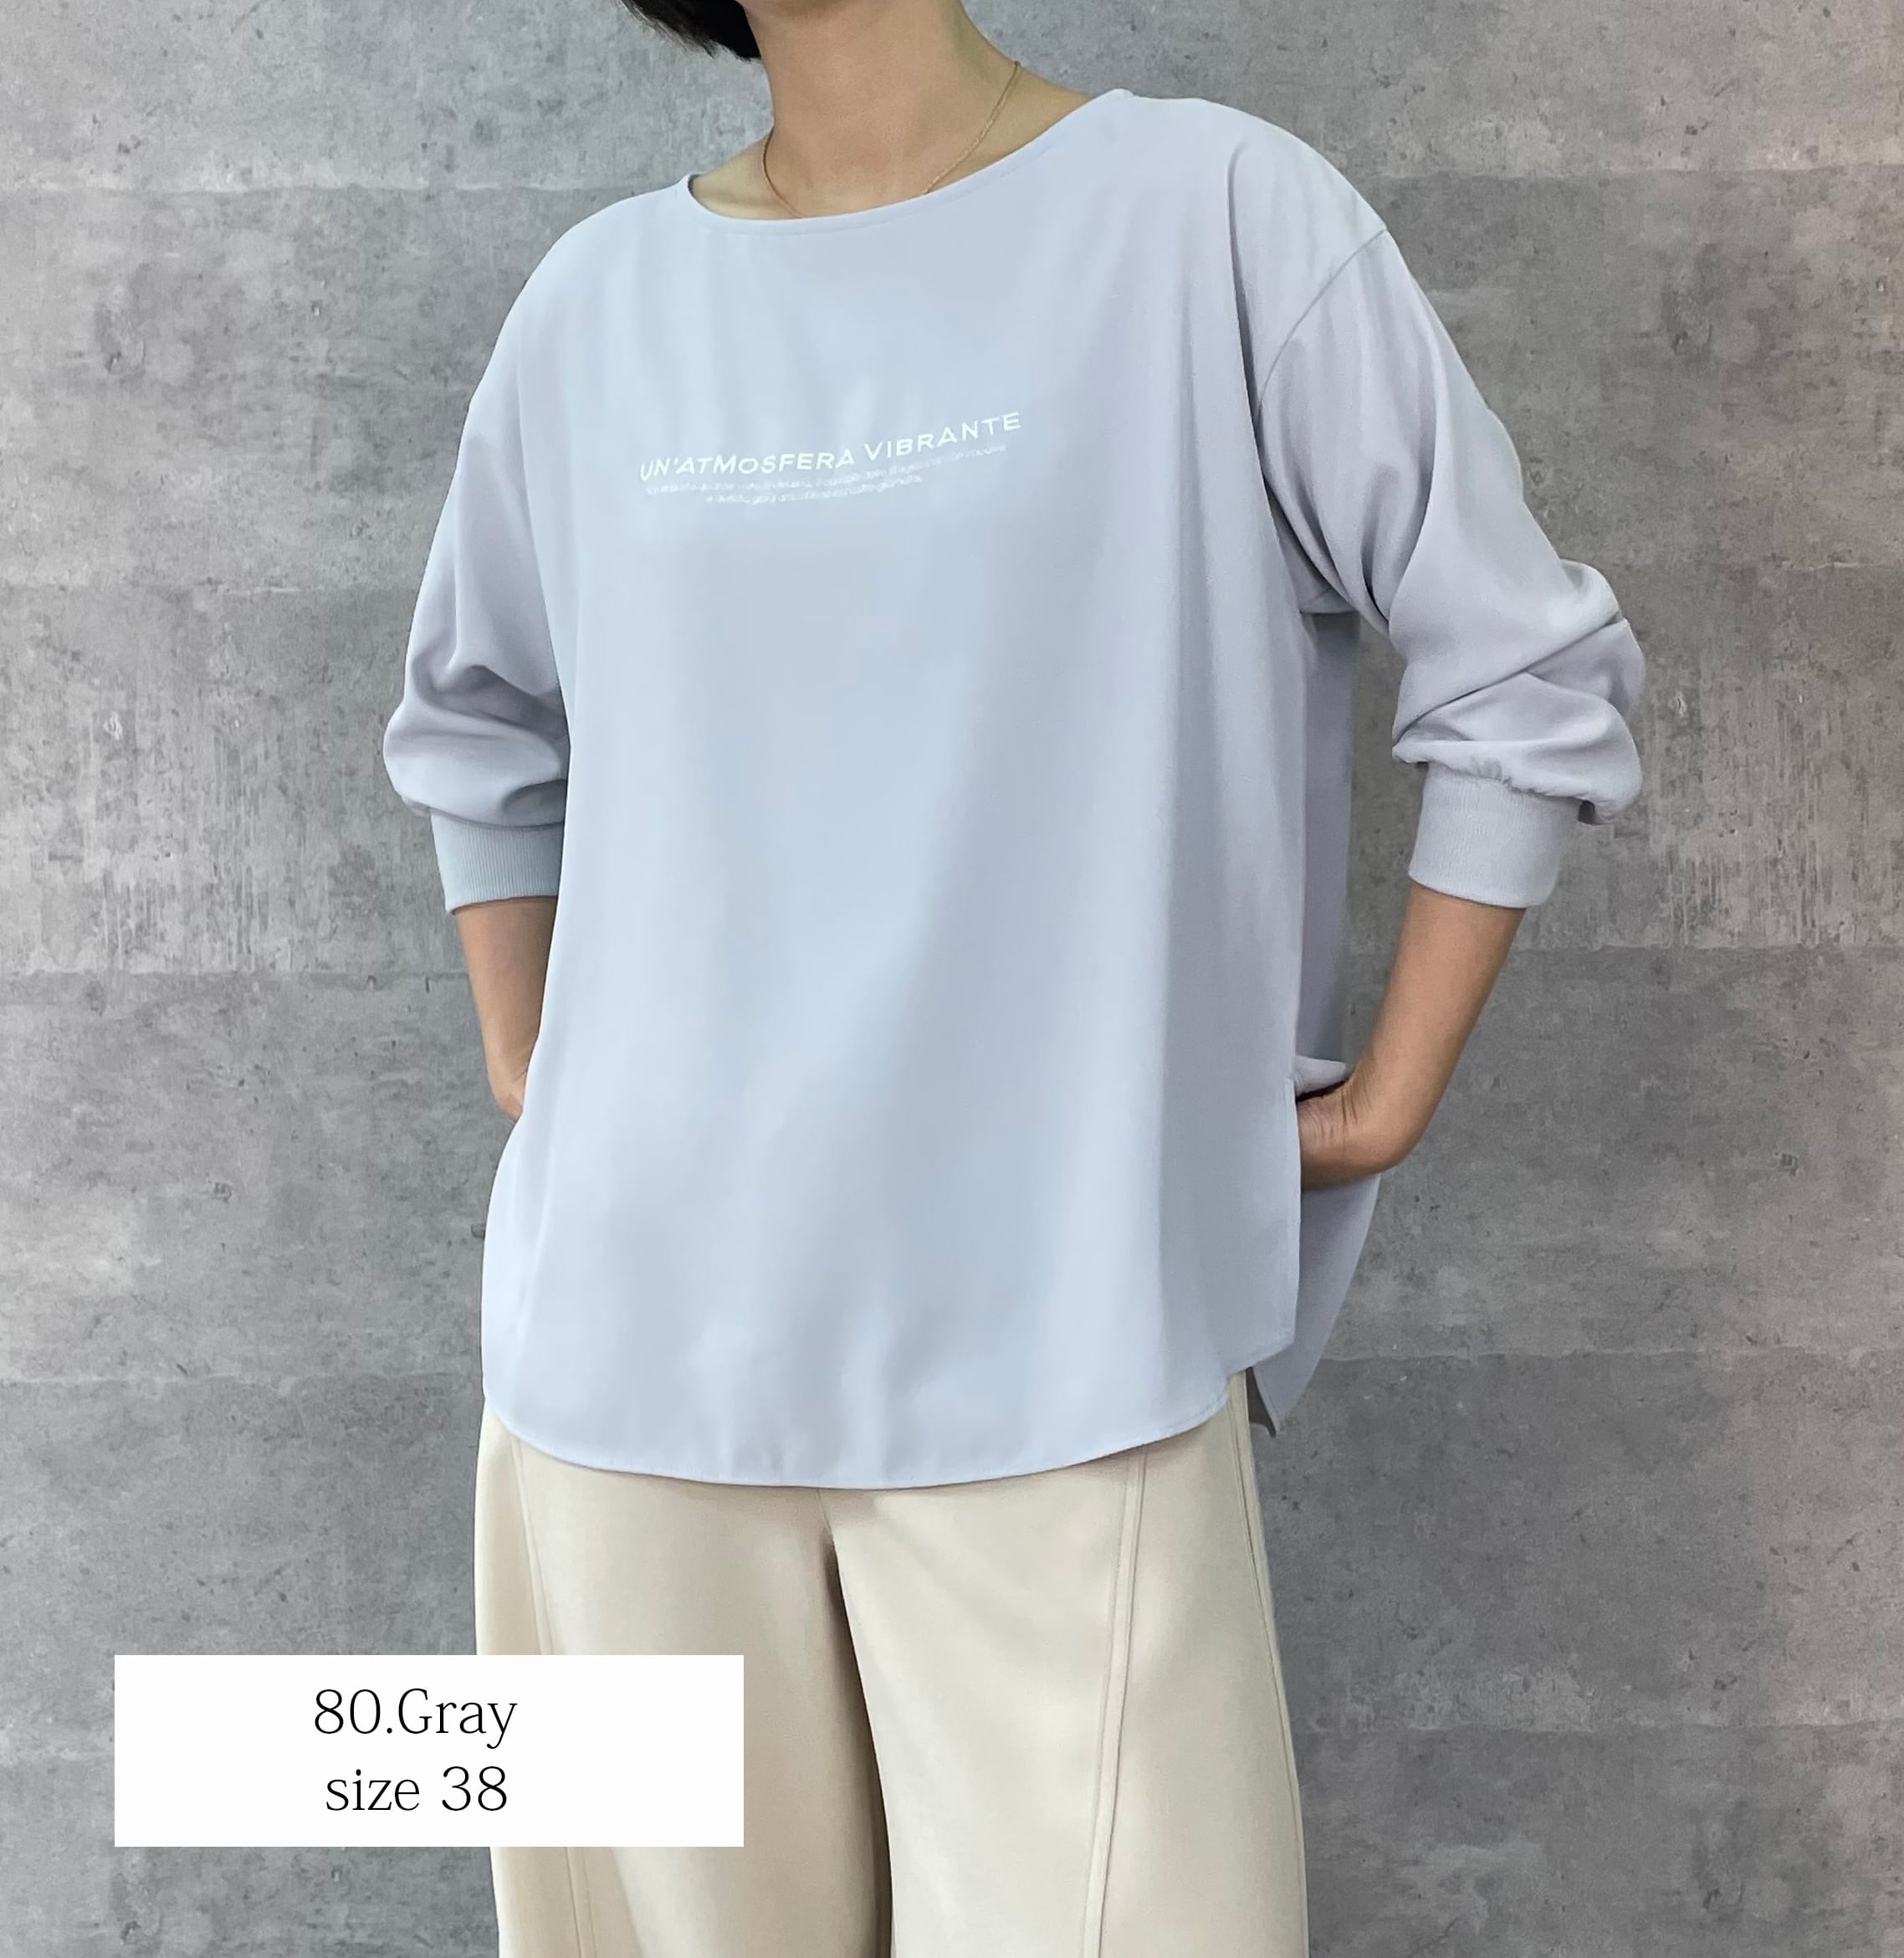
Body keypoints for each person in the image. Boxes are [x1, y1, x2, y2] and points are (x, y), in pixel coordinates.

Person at [380, 0, 1646, 1950]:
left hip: (1062, 1352)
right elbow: (475, 716)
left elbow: (1525, 669)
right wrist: (536, 1061)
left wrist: (1385, 1104)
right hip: (622, 1381)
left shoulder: (1216, 222)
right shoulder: (595, 305)